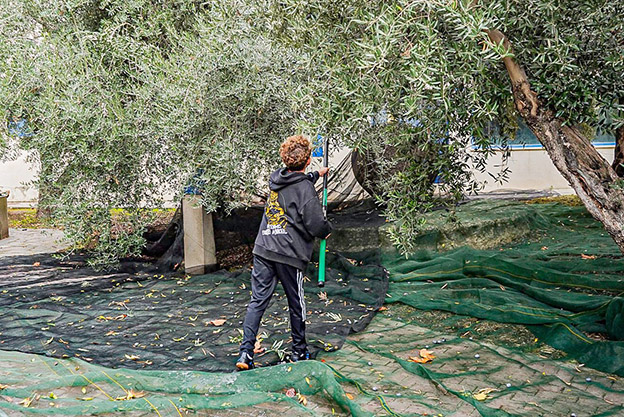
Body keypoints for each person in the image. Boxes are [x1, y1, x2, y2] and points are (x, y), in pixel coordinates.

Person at [236, 135, 332, 370]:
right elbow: (315, 223)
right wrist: (326, 230)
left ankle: (245, 354)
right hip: (288, 253)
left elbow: (297, 183)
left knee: (257, 301)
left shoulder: (277, 179)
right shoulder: (305, 188)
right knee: (296, 302)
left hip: (264, 248)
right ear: (308, 160)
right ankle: (299, 351)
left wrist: (316, 176)